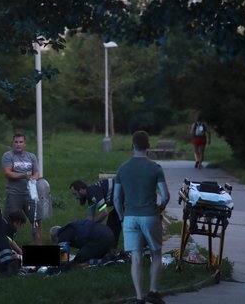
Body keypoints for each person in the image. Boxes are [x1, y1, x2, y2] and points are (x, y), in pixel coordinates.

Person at [113, 130, 170, 304]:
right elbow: (166, 195)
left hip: (130, 217)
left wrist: (123, 218)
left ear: (132, 146)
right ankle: (153, 291)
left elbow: (116, 199)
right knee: (156, 253)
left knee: (136, 257)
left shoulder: (122, 169)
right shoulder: (155, 168)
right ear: (148, 147)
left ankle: (139, 298)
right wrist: (160, 209)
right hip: (150, 215)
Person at [1, 133, 42, 244]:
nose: (18, 144)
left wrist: (33, 178)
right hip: (14, 193)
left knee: (36, 220)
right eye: (16, 142)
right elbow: (8, 173)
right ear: (13, 143)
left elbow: (37, 173)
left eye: (20, 142)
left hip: (30, 194)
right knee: (11, 221)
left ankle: (38, 249)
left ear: (25, 144)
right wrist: (24, 175)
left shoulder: (31, 156)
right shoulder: (8, 156)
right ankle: (8, 249)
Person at [69, 179, 122, 250]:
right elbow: (90, 217)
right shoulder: (90, 196)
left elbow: (104, 213)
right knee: (113, 220)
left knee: (113, 222)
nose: (75, 198)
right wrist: (83, 227)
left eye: (75, 194)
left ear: (81, 190)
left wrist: (91, 225)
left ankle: (111, 250)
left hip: (127, 195)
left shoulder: (93, 193)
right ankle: (111, 249)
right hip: (122, 197)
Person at [49, 219, 115, 266]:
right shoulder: (71, 227)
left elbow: (64, 258)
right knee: (85, 253)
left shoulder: (62, 235)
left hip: (100, 239)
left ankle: (103, 262)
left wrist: (62, 263)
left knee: (77, 261)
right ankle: (108, 256)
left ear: (55, 236)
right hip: (109, 233)